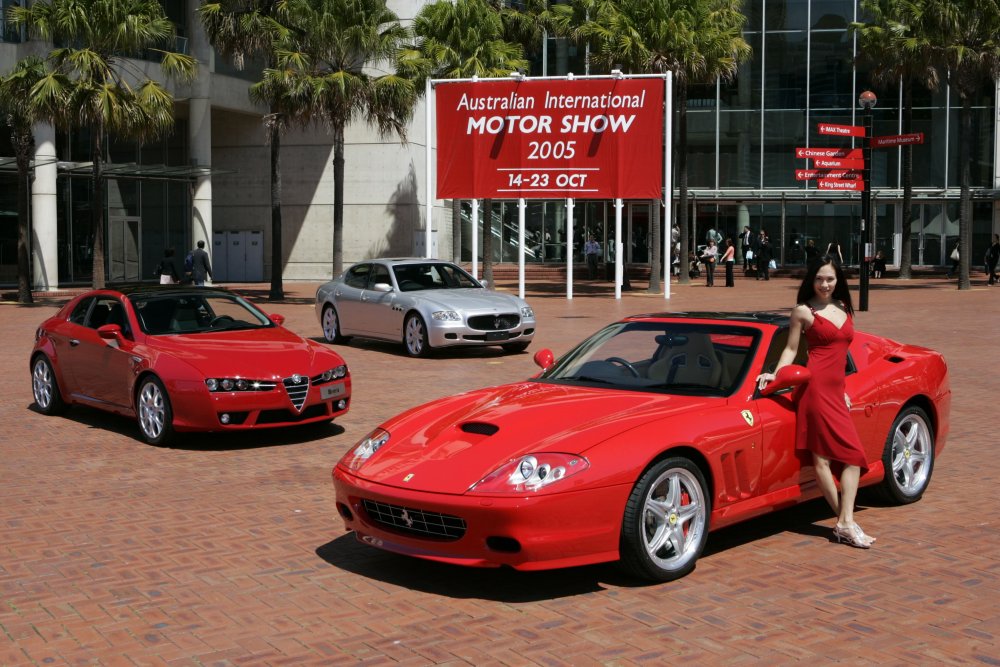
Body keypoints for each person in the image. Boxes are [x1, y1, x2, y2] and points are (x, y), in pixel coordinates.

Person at [757, 255, 875, 549]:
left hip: (836, 390)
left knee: (851, 457)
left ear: (838, 281)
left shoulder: (844, 307)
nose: (825, 284)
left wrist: (843, 389)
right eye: (820, 279)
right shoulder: (803, 312)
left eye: (830, 279)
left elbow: (841, 354)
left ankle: (844, 522)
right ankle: (846, 522)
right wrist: (775, 374)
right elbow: (792, 349)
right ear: (812, 279)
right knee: (823, 458)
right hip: (815, 388)